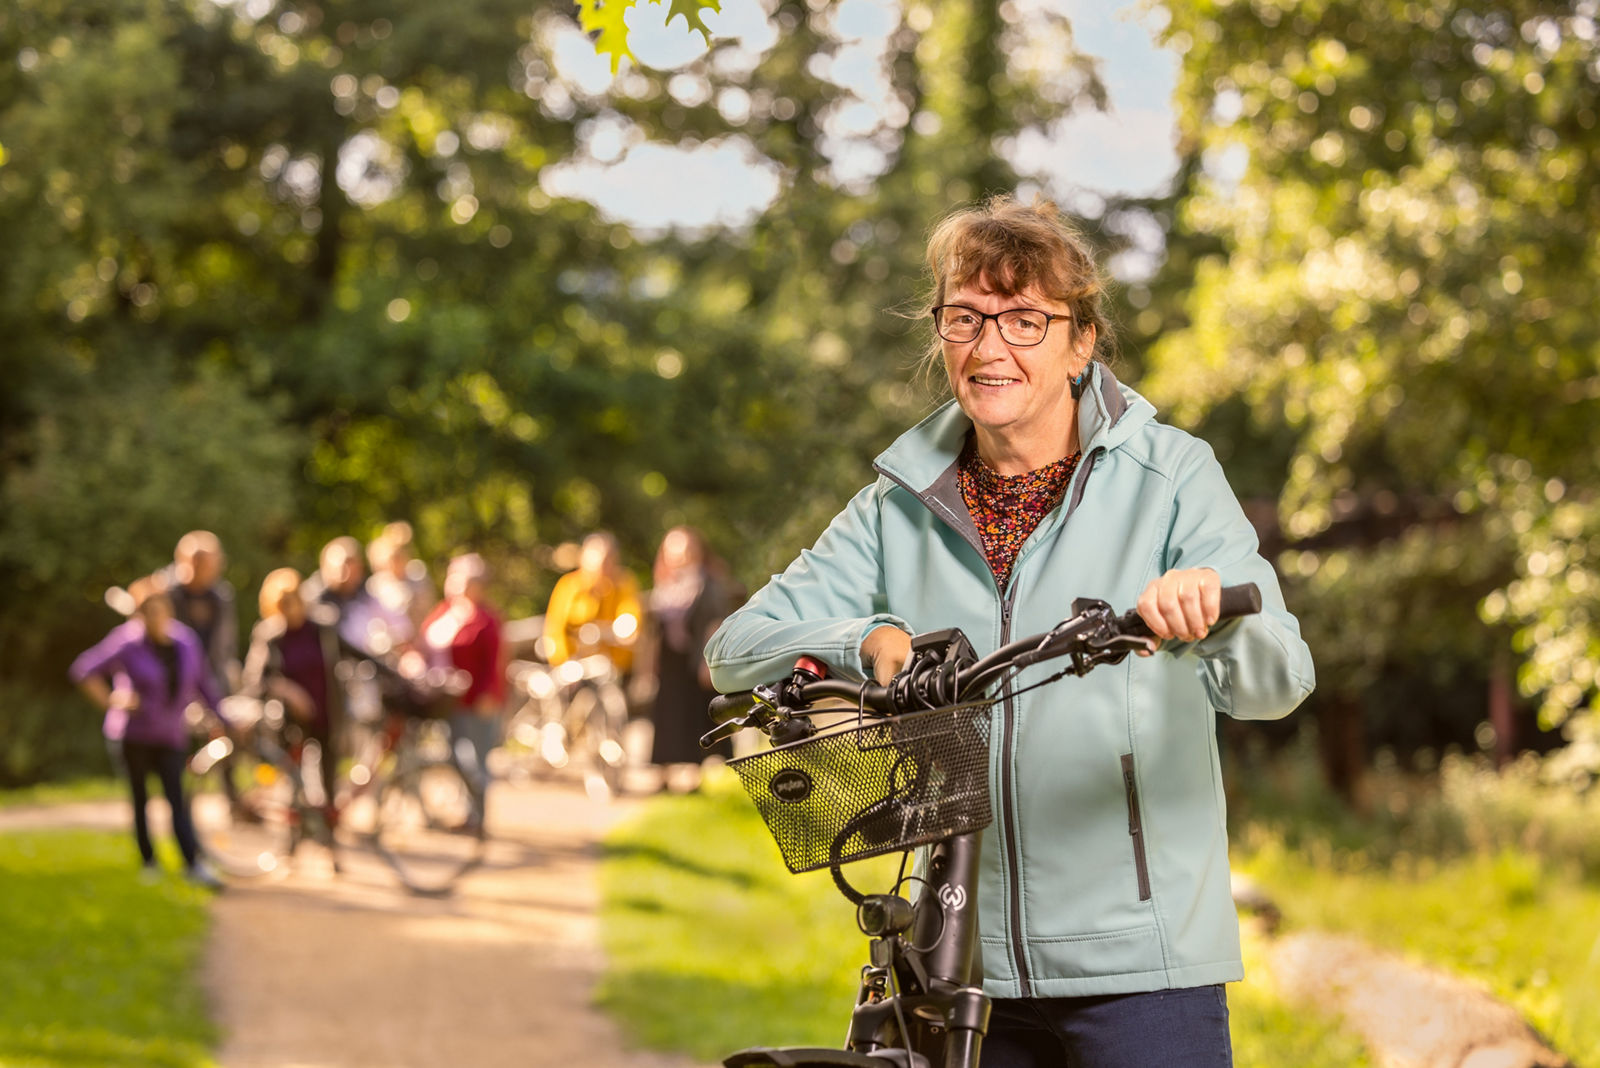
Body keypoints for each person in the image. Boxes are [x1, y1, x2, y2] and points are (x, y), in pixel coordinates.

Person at [704, 195, 1315, 1066]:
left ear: (1081, 342)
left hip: (1142, 965)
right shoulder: (895, 508)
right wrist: (866, 638)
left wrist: (1208, 612)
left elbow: (1279, 680)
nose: (991, 347)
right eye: (966, 317)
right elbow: (734, 647)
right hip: (959, 966)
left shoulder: (1170, 475)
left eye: (1025, 319)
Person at [70, 575, 227, 888]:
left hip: (170, 735)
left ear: (168, 610)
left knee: (176, 800)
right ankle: (149, 862)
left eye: (160, 610)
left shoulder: (185, 642)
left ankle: (191, 863)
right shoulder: (126, 641)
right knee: (140, 799)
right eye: (149, 612)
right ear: (139, 614)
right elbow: (84, 669)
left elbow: (202, 684)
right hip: (134, 735)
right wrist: (112, 700)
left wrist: (222, 717)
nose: (156, 617)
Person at [240, 568, 356, 810]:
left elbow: (354, 652)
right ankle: (297, 826)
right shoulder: (270, 635)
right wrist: (287, 690)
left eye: (292, 603)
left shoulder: (322, 628)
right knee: (294, 782)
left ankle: (328, 830)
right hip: (291, 720)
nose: (289, 610)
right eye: (282, 605)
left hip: (326, 713)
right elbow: (254, 680)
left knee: (329, 780)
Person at [641, 527, 738, 785]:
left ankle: (693, 776)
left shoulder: (709, 583)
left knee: (694, 715)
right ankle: (664, 774)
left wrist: (710, 662)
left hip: (695, 659)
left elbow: (714, 622)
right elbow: (655, 630)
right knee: (667, 716)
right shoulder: (664, 585)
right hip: (670, 663)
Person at [420, 553, 505, 833]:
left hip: (474, 701)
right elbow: (424, 646)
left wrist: (488, 695)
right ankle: (466, 813)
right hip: (443, 699)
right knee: (455, 756)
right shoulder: (442, 613)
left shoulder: (486, 621)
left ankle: (477, 819)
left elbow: (495, 662)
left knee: (475, 759)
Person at [543, 532, 642, 673]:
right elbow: (555, 629)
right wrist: (563, 663)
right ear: (583, 559)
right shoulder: (569, 586)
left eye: (608, 560)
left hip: (614, 668)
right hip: (575, 669)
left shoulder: (623, 583)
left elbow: (630, 618)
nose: (603, 567)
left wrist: (616, 631)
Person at [366, 521, 437, 644]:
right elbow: (375, 622)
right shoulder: (376, 585)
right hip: (391, 644)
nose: (397, 562)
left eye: (401, 555)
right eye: (393, 557)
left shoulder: (418, 575)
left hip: (422, 638)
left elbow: (429, 610)